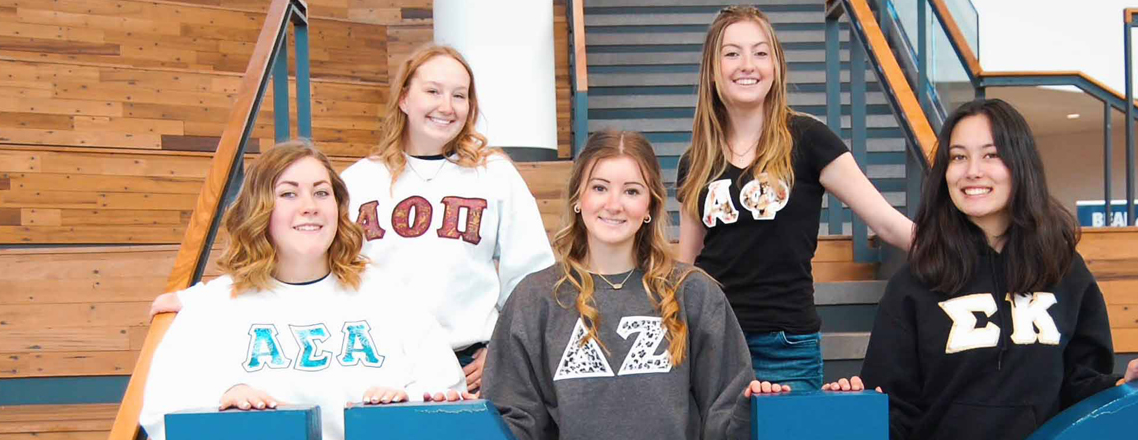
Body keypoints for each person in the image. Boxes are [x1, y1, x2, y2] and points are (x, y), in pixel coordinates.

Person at [152, 45, 555, 394]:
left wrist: (503, 350)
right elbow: (296, 259)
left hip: (472, 366)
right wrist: (201, 298)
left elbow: (530, 276)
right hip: (381, 362)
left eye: (459, 95)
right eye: (432, 91)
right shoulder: (360, 180)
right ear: (404, 98)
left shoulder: (495, 175)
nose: (446, 106)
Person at [826, 99, 1138, 440]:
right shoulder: (914, 282)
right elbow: (893, 410)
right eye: (958, 157)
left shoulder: (1065, 270)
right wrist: (849, 409)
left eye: (990, 155)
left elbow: (1080, 388)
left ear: (1019, 165)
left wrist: (1125, 382)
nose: (972, 171)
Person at [138, 140, 469, 440]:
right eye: (289, 194)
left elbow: (446, 388)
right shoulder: (214, 306)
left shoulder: (386, 295)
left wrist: (407, 401)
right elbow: (161, 415)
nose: (310, 206)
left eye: (321, 193)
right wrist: (224, 400)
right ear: (259, 208)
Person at [483, 130, 786, 440]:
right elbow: (513, 421)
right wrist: (462, 417)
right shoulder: (535, 299)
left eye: (631, 191)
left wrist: (753, 409)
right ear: (578, 198)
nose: (614, 204)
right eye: (599, 187)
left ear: (650, 206)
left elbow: (725, 414)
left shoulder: (694, 293)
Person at [675, 5, 918, 391]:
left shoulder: (808, 139)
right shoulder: (696, 160)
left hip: (786, 347)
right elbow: (687, 265)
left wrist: (967, 252)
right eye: (732, 53)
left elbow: (888, 223)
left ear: (775, 65)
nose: (747, 64)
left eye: (760, 52)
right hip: (713, 341)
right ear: (713, 68)